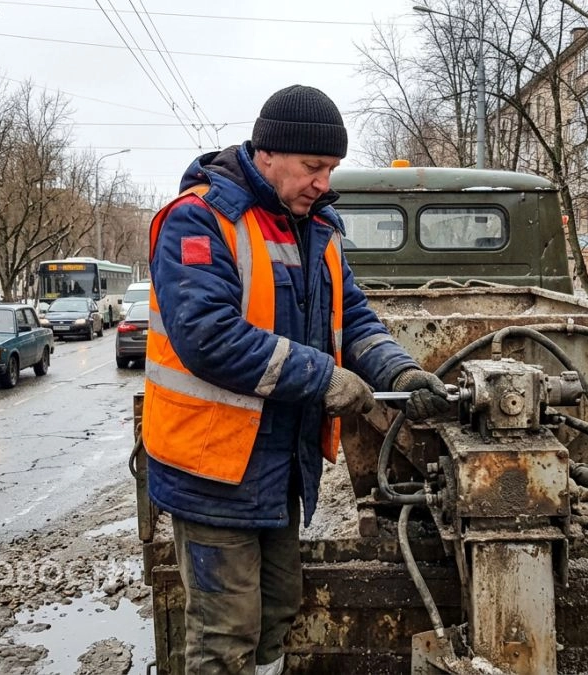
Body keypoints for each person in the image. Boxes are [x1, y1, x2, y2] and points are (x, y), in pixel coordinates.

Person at [143, 84, 451, 675]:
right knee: (224, 634)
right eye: (313, 166)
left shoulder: (317, 228)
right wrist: (326, 380)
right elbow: (209, 338)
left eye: (331, 168)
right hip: (212, 467)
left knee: (278, 613)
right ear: (268, 152)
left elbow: (353, 314)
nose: (323, 181)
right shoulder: (199, 221)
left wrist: (401, 372)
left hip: (279, 466)